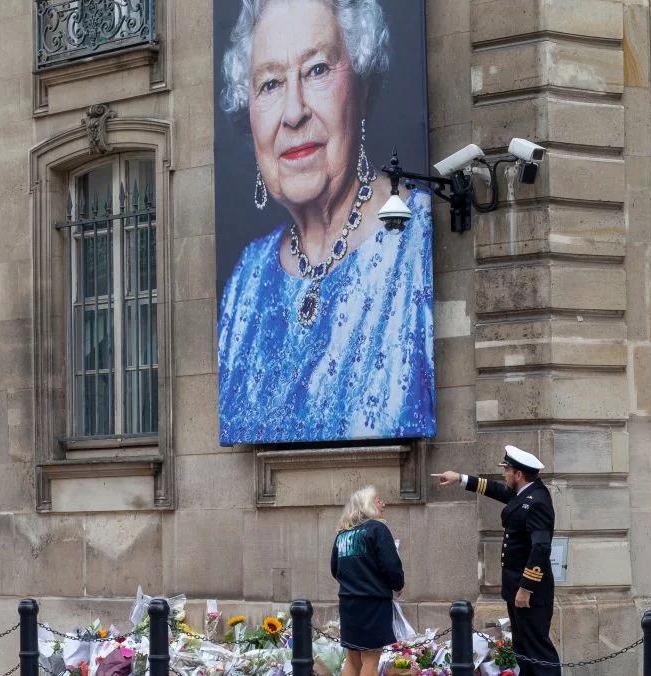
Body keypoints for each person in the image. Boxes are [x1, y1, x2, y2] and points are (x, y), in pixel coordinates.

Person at [216, 0, 435, 445]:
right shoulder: (246, 278)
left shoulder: (418, 236)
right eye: (271, 83)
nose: (293, 112)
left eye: (316, 70)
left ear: (361, 86)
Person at [433, 446, 560, 676]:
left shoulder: (537, 500)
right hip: (517, 588)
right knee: (523, 648)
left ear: (518, 474)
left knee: (538, 651)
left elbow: (541, 547)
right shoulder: (524, 493)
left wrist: (526, 588)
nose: (504, 474)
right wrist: (459, 478)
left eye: (507, 470)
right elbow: (493, 490)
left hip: (530, 592)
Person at [330, 486, 404, 676]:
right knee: (371, 660)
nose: (383, 504)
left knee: (353, 660)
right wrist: (397, 585)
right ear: (367, 504)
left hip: (348, 603)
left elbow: (335, 569)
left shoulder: (342, 535)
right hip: (373, 603)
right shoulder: (377, 529)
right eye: (378, 500)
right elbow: (391, 565)